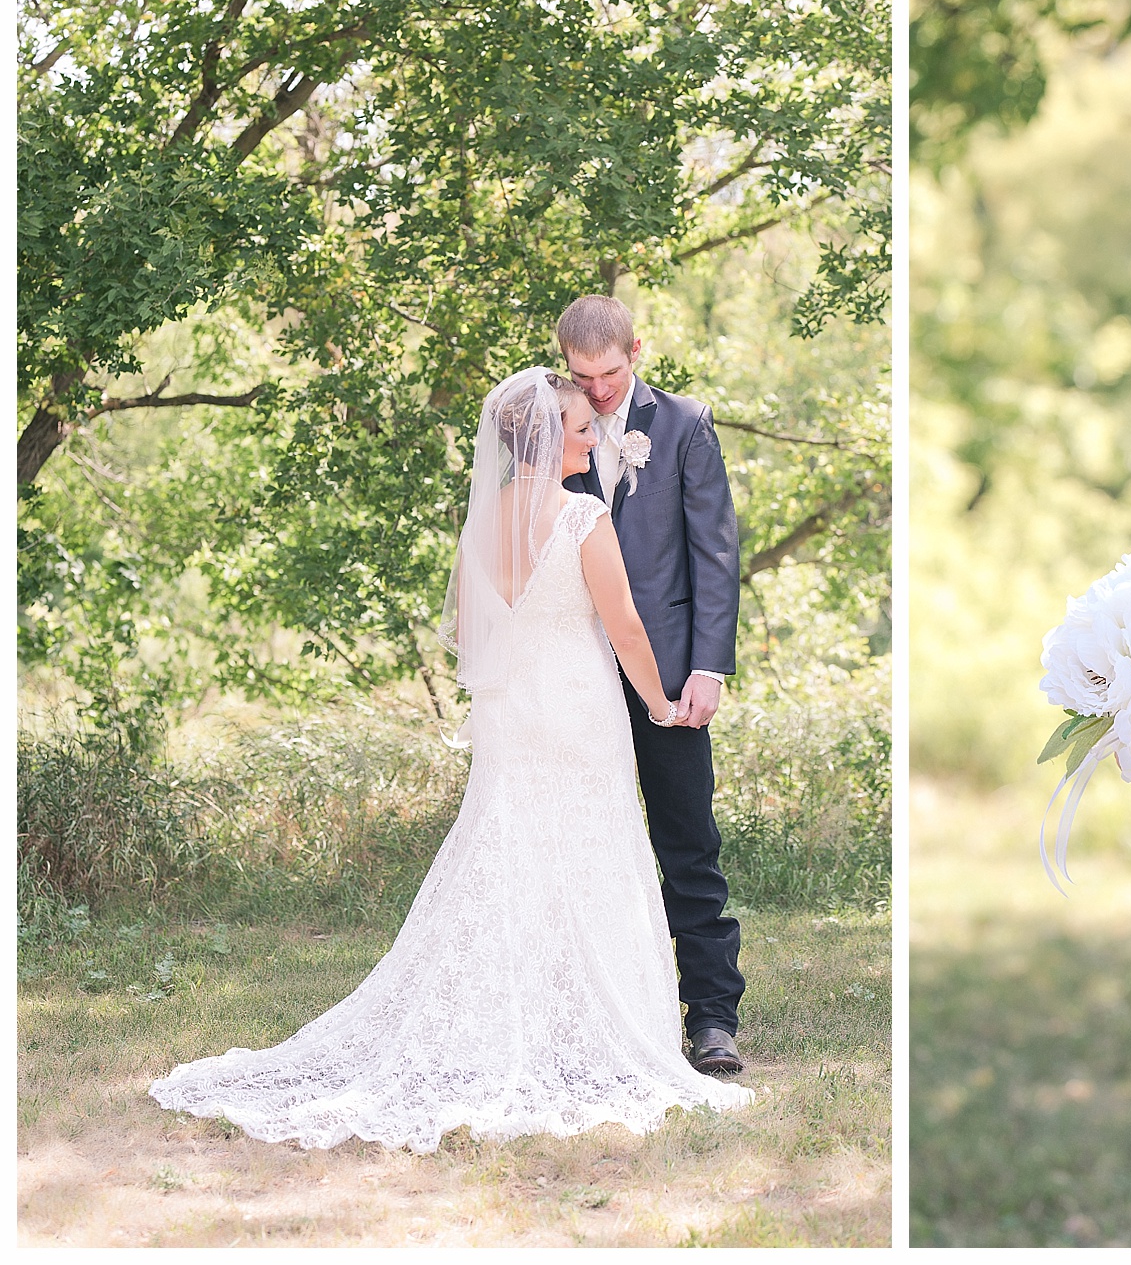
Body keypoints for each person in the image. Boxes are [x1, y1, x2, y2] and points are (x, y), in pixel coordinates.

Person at [148, 369, 754, 1150]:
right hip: (576, 708)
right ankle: (591, 1029)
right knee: (591, 853)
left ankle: (514, 1020)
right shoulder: (581, 517)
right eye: (576, 428)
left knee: (509, 857)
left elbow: (472, 642)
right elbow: (629, 632)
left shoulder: (487, 525)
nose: (589, 436)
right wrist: (662, 705)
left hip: (509, 714)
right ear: (547, 438)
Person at [555, 294, 747, 1077]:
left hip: (668, 673)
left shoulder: (683, 425)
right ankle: (585, 1009)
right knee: (581, 847)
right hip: (572, 674)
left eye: (610, 374)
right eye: (582, 376)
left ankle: (711, 1018)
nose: (598, 392)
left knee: (688, 846)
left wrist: (708, 666)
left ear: (637, 350)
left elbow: (715, 552)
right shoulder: (545, 424)